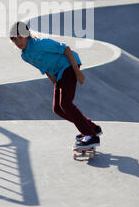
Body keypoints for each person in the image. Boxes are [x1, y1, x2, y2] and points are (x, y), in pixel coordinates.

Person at [10, 21, 102, 150]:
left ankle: (91, 136)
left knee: (66, 103)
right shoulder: (25, 56)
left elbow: (66, 49)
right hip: (59, 74)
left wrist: (77, 72)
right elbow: (45, 69)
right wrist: (55, 84)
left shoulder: (40, 44)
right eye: (15, 40)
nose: (18, 42)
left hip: (69, 66)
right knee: (57, 109)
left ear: (27, 36)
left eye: (21, 38)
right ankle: (92, 128)